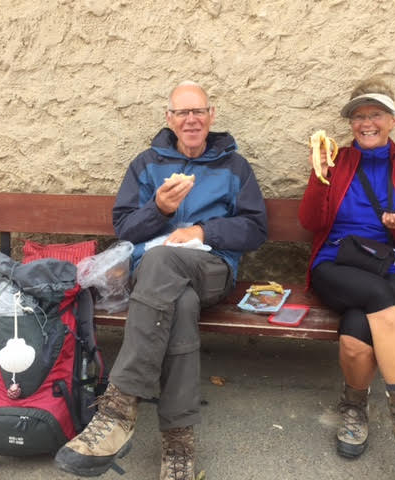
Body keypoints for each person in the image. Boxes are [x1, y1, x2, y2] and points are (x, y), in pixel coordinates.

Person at [55, 81, 268, 479]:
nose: (191, 120)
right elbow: (124, 227)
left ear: (211, 116)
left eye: (198, 111)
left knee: (162, 262)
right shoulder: (146, 164)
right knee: (179, 302)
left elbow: (256, 229)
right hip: (155, 279)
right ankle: (178, 442)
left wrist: (203, 231)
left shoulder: (234, 167)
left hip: (211, 269)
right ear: (169, 118)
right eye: (182, 112)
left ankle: (119, 407)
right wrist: (159, 209)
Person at [298, 77, 395, 474]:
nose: (366, 123)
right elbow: (310, 222)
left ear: (392, 120)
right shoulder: (335, 162)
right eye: (358, 116)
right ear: (351, 124)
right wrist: (318, 177)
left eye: (375, 114)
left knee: (355, 337)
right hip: (334, 264)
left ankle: (354, 406)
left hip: (388, 266)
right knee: (379, 298)